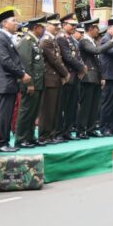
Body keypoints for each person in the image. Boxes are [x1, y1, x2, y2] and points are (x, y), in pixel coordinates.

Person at [0, 9, 30, 153]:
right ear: (4, 23)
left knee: (7, 115)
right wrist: (22, 74)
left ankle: (5, 142)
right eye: (13, 21)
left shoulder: (7, 38)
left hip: (10, 83)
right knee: (3, 115)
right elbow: (6, 61)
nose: (17, 23)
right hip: (5, 82)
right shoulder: (0, 38)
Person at [77, 18, 113, 138]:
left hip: (95, 76)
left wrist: (102, 76)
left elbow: (98, 62)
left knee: (94, 105)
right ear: (90, 29)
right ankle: (81, 129)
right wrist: (112, 42)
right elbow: (96, 51)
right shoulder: (84, 41)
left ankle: (91, 128)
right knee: (85, 105)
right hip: (88, 76)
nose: (98, 31)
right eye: (96, 28)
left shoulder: (92, 41)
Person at [15, 15, 46, 148]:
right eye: (42, 27)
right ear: (36, 27)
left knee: (33, 111)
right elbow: (26, 64)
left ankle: (30, 136)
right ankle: (21, 139)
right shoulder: (26, 41)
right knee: (26, 111)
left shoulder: (34, 41)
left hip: (38, 82)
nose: (43, 29)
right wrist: (29, 83)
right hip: (31, 83)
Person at [56, 13, 86, 141]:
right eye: (71, 25)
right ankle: (60, 132)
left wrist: (81, 67)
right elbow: (67, 57)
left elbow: (77, 56)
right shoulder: (61, 38)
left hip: (75, 76)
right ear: (63, 25)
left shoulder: (71, 39)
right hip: (67, 75)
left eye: (75, 25)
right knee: (63, 106)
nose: (74, 27)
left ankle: (67, 132)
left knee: (72, 106)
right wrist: (82, 67)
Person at [39, 15, 68, 144]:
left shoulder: (52, 39)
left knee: (54, 109)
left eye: (58, 25)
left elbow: (58, 59)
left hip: (55, 78)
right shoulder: (46, 40)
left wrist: (62, 75)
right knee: (47, 110)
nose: (57, 28)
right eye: (54, 25)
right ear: (47, 25)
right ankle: (44, 136)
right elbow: (54, 60)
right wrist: (65, 73)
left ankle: (50, 135)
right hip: (49, 78)